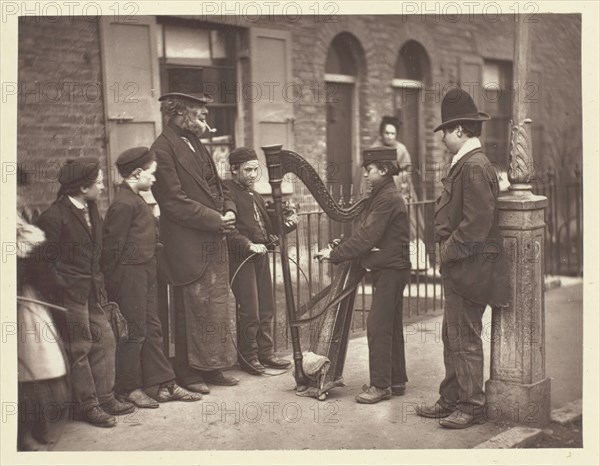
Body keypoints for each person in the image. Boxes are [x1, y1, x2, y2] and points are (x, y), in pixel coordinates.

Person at [416, 88, 509, 428]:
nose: (441, 138)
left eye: (445, 131)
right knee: (452, 334)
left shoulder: (473, 166)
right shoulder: (467, 164)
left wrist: (446, 252)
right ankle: (452, 397)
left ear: (460, 130)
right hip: (462, 269)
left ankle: (471, 406)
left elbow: (476, 226)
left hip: (470, 269)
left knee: (464, 337)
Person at [151, 92, 239, 394]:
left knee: (215, 305)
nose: (205, 119)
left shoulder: (196, 142)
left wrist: (229, 209)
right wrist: (216, 219)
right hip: (187, 243)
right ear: (179, 113)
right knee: (191, 307)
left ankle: (211, 366)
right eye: (200, 114)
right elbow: (173, 202)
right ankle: (187, 374)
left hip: (213, 238)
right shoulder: (162, 149)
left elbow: (218, 183)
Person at [101, 147, 202, 407]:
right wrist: (117, 286)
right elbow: (112, 249)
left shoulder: (136, 200)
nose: (154, 179)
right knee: (134, 332)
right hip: (129, 276)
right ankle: (129, 388)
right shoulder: (123, 203)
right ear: (137, 173)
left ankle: (163, 384)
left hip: (145, 272)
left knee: (153, 329)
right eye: (151, 174)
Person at [36, 158, 134, 428]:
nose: (103, 186)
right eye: (99, 182)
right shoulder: (54, 217)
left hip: (92, 290)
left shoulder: (91, 209)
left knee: (106, 340)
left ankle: (105, 397)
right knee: (80, 347)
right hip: (70, 294)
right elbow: (45, 262)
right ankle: (88, 405)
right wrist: (63, 288)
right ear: (82, 187)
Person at [316, 147, 411, 404]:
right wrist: (340, 246)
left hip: (391, 269)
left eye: (369, 170)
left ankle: (381, 385)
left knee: (378, 325)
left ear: (383, 169)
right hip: (391, 267)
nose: (366, 175)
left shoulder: (387, 198)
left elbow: (367, 237)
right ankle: (396, 379)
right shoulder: (382, 195)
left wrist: (334, 255)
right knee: (390, 324)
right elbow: (365, 232)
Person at [224, 147, 296, 375]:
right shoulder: (227, 193)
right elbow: (229, 229)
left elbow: (264, 227)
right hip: (241, 258)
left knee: (266, 307)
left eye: (256, 169)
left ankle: (266, 353)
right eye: (248, 170)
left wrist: (280, 230)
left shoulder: (254, 194)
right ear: (234, 170)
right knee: (250, 310)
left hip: (260, 255)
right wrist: (247, 244)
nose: (254, 174)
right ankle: (248, 357)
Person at [17, 166, 69, 450]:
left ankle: (32, 429)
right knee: (23, 365)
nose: (20, 197)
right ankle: (21, 435)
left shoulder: (21, 216)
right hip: (16, 297)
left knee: (36, 361)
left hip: (25, 295)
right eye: (16, 190)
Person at [375, 116, 426, 269]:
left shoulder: (401, 149)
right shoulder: (375, 148)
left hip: (401, 191)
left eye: (392, 133)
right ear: (382, 133)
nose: (389, 136)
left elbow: (409, 169)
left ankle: (412, 263)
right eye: (386, 133)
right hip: (382, 193)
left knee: (408, 223)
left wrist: (396, 179)